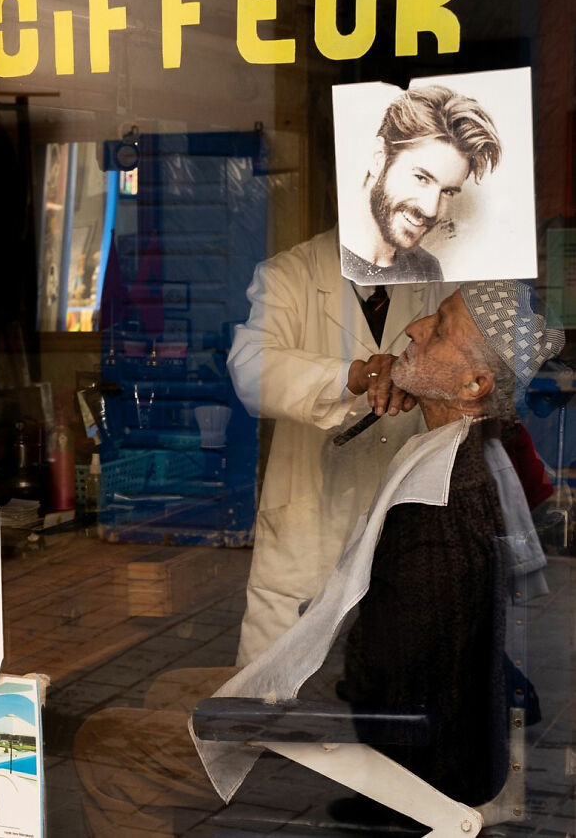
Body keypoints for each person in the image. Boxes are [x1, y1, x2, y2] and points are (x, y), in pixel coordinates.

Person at [74, 281, 562, 835]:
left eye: (440, 328)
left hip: (386, 761)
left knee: (104, 741)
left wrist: (274, 704)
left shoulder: (439, 509)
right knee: (169, 689)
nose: (413, 328)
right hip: (400, 710)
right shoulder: (465, 454)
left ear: (475, 384)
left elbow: (383, 693)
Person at [228, 224, 452, 664]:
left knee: (390, 671)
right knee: (278, 685)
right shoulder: (290, 272)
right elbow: (250, 369)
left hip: (404, 508)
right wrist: (352, 375)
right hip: (309, 518)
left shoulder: (438, 273)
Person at [340, 85, 502, 284]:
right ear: (379, 158)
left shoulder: (427, 270)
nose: (431, 209)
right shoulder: (318, 260)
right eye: (421, 178)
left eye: (448, 191)